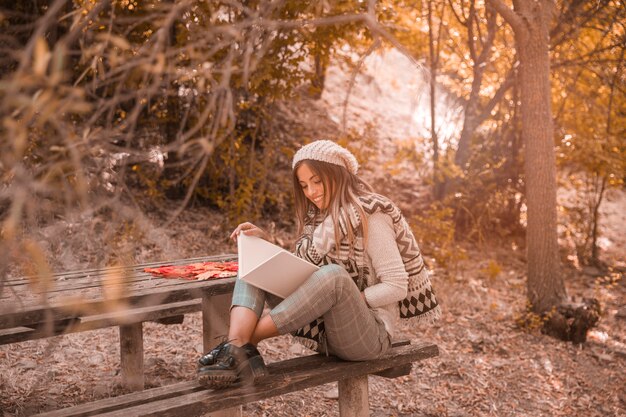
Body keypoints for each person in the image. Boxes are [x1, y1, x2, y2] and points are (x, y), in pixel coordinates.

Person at [197, 140, 440, 388]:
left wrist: (350, 296)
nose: (311, 192)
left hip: (368, 335)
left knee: (334, 276)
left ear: (337, 175)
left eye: (317, 181)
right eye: (304, 186)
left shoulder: (372, 215)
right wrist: (264, 244)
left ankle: (237, 347)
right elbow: (303, 271)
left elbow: (397, 286)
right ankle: (238, 345)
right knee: (255, 261)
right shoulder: (320, 221)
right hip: (325, 330)